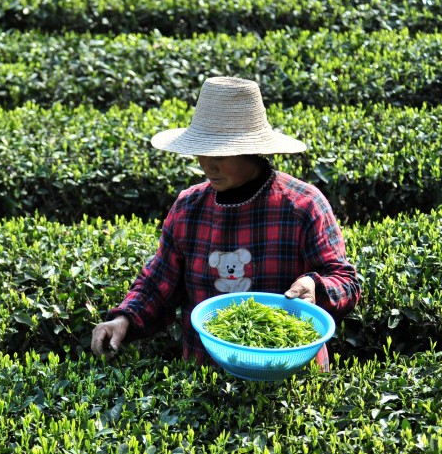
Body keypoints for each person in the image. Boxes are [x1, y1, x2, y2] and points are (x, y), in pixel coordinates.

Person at [90, 76, 360, 369]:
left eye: (219, 152)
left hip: (289, 374)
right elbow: (159, 282)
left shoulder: (303, 205)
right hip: (207, 377)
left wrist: (315, 287)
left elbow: (346, 281)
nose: (207, 164)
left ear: (252, 149)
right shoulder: (189, 208)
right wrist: (123, 319)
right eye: (202, 150)